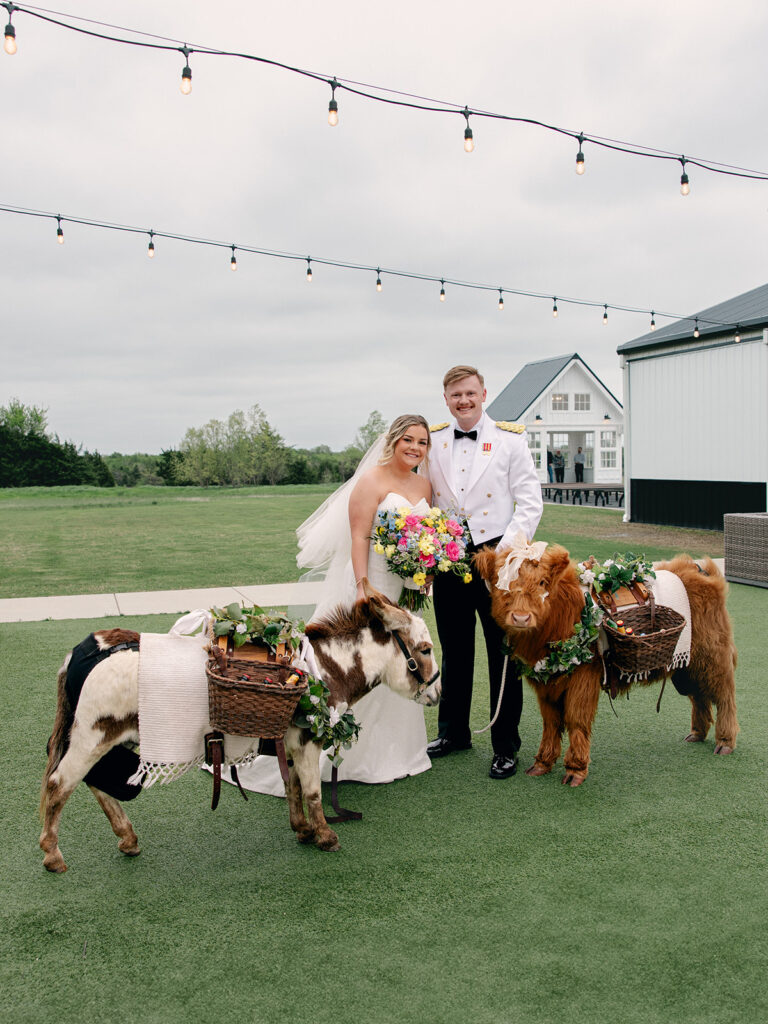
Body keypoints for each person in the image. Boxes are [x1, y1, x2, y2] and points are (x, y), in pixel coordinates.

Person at [233, 414, 434, 796]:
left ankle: (392, 754)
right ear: (392, 441)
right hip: (369, 583)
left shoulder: (425, 483)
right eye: (408, 439)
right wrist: (363, 586)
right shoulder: (371, 480)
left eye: (422, 442)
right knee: (348, 668)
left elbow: (428, 538)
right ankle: (322, 752)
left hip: (406, 593)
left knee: (398, 660)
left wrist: (426, 573)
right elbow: (359, 536)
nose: (414, 447)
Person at [426, 366, 543, 779]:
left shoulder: (510, 440)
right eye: (456, 395)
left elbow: (530, 503)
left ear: (483, 393)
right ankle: (454, 732)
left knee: (502, 653)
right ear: (446, 399)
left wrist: (505, 554)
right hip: (449, 558)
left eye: (470, 393)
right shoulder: (435, 439)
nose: (464, 401)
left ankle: (505, 745)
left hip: (498, 559)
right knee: (455, 650)